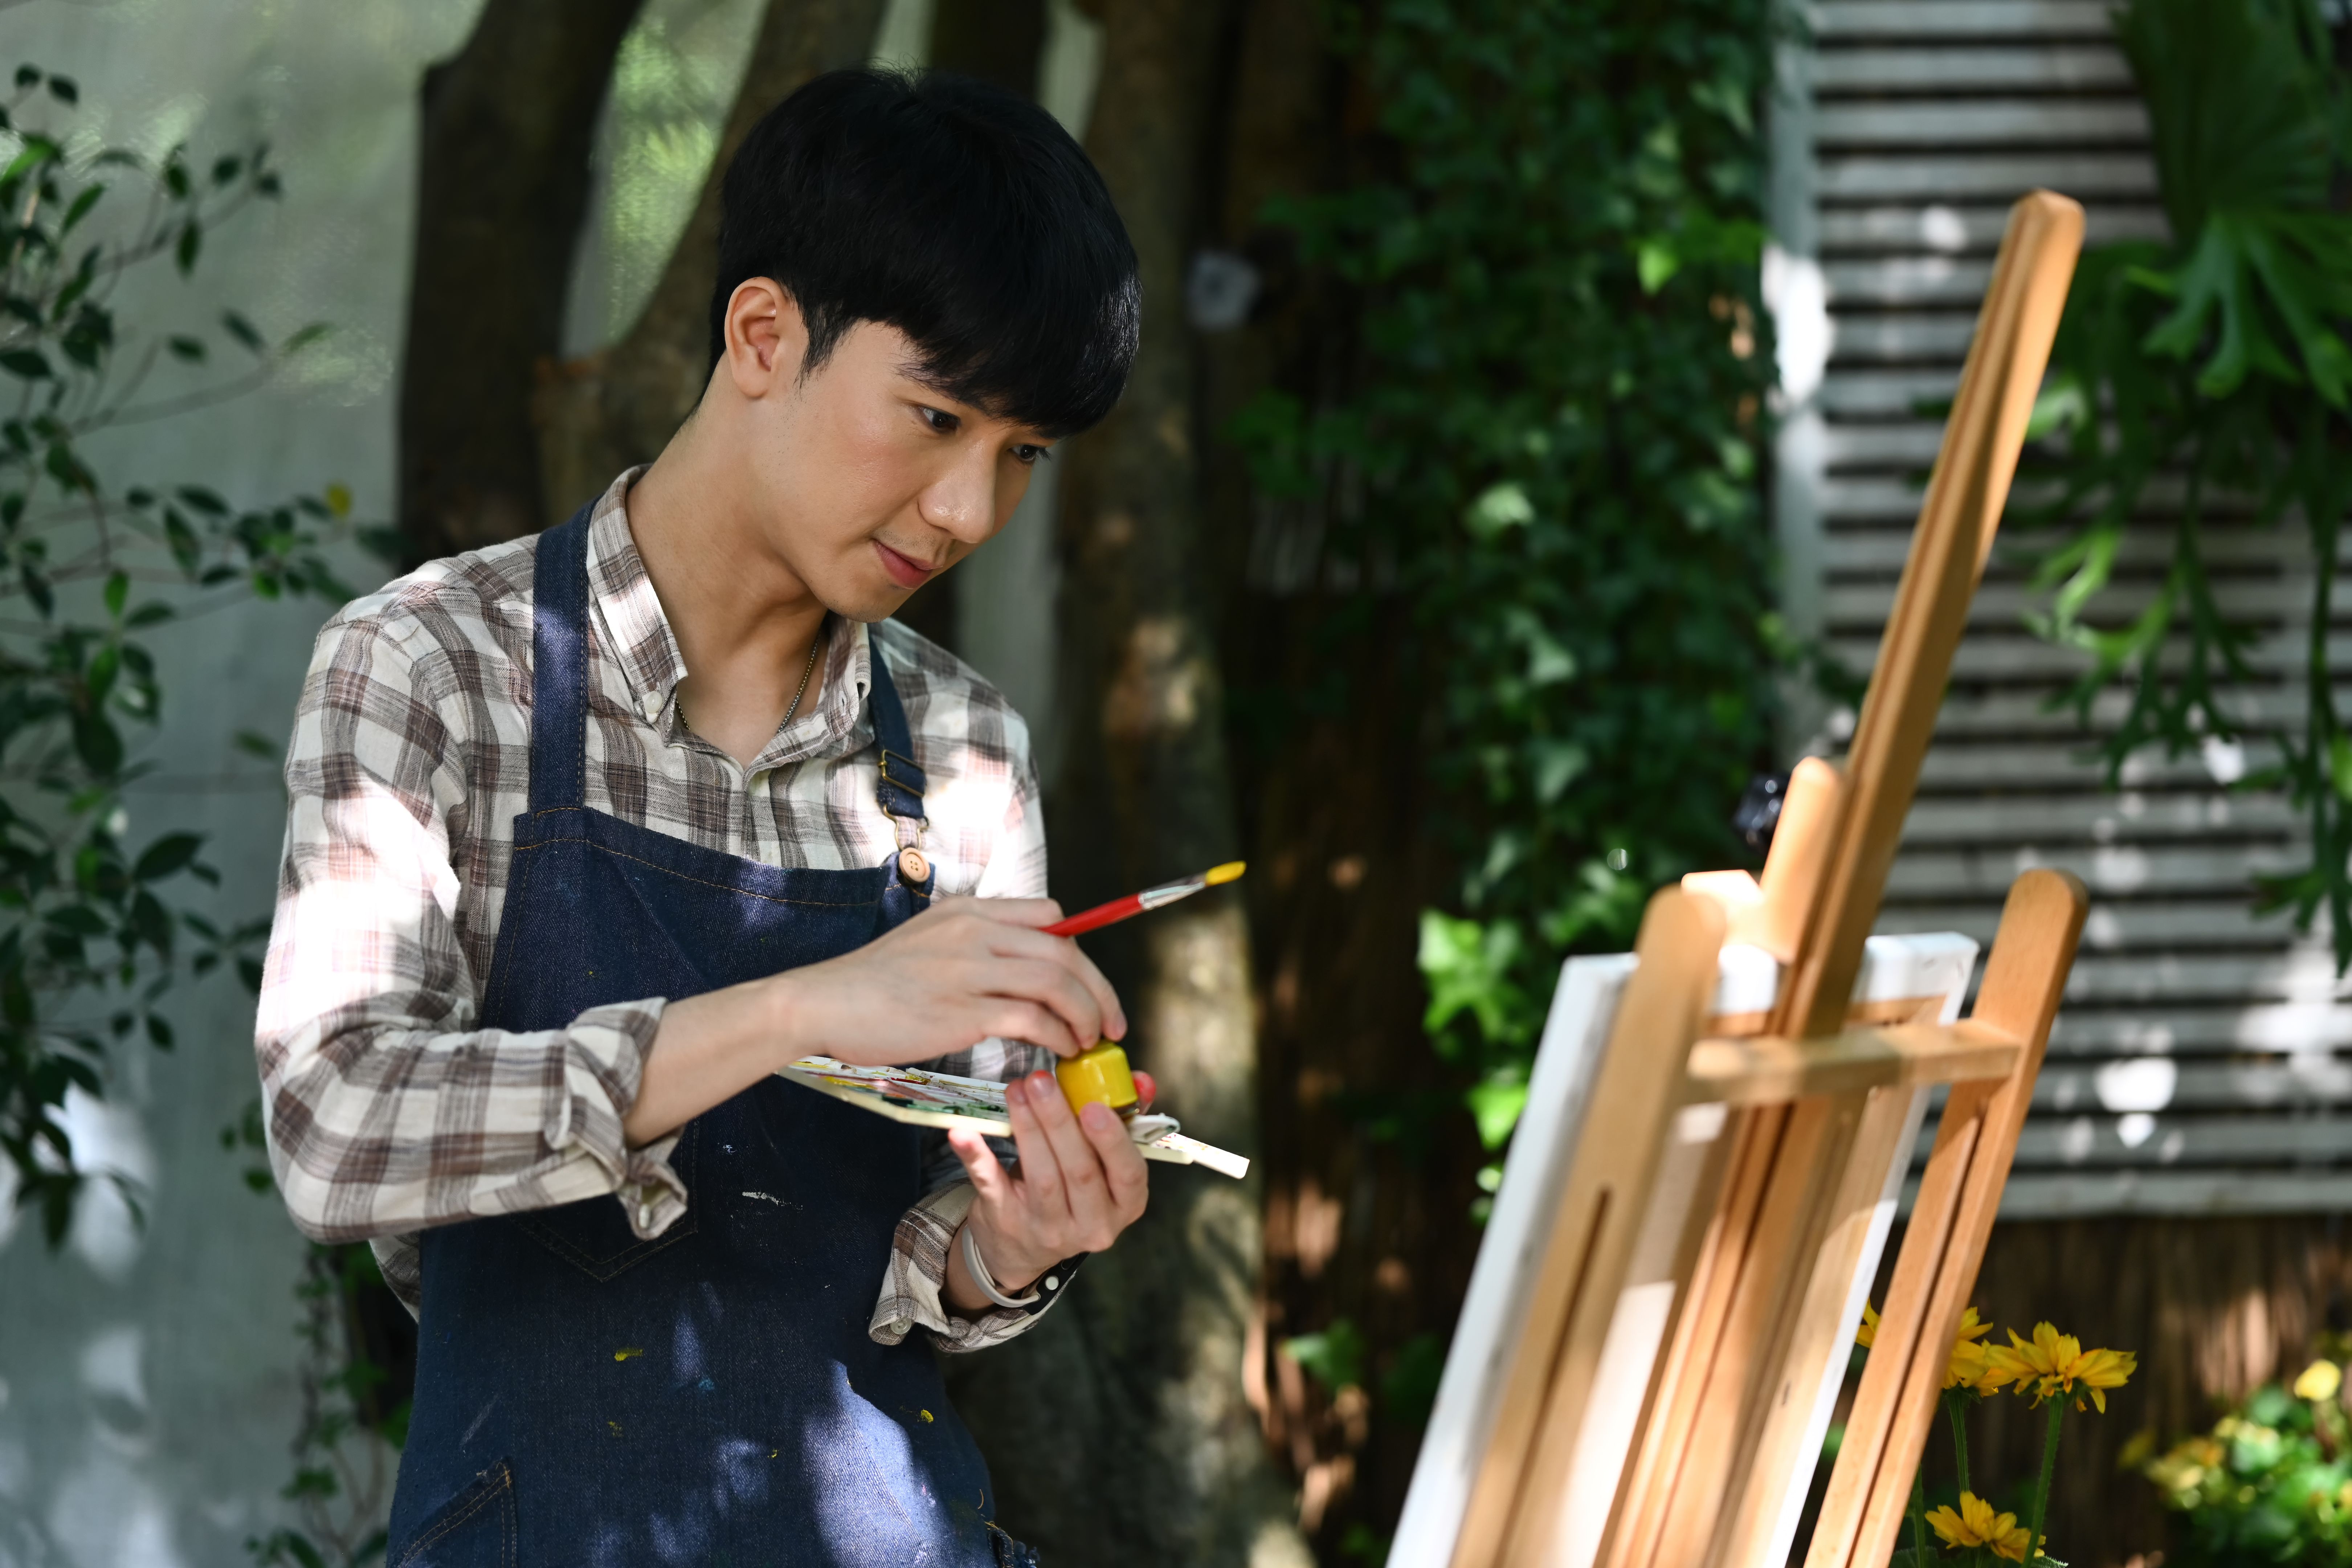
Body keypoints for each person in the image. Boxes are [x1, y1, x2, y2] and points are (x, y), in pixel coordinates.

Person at [254, 68, 1148, 1568]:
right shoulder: (435, 665)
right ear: (760, 335)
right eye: (936, 418)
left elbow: (931, 1251)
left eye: (1021, 454)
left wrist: (1019, 1243)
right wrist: (798, 1010)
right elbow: (334, 1128)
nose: (968, 510)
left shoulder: (963, 749)